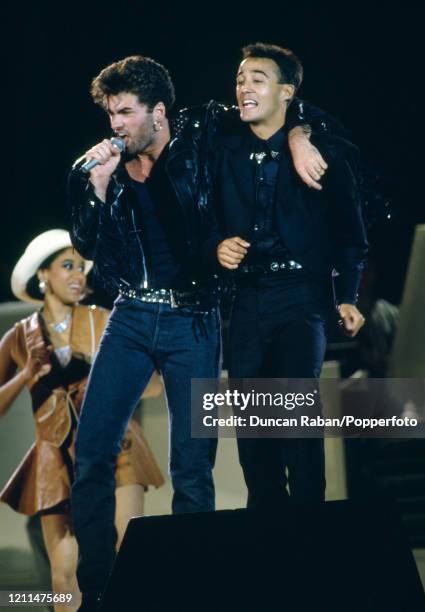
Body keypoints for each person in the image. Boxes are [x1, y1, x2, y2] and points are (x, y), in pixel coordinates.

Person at [67, 54, 343, 610]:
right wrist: (94, 189)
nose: (115, 125)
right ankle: (98, 588)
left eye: (125, 112)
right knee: (92, 454)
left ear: (159, 111)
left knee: (192, 465)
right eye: (110, 114)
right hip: (130, 315)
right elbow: (88, 249)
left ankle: (191, 589)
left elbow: (281, 110)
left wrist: (299, 138)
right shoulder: (93, 167)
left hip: (193, 317)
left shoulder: (200, 132)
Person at [214, 42, 368, 508]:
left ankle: (310, 540)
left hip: (302, 296)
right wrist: (214, 247)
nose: (244, 88)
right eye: (240, 79)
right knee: (253, 438)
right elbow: (197, 221)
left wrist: (349, 295)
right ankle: (269, 548)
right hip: (245, 301)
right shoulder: (220, 148)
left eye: (257, 79)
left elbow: (350, 230)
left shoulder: (322, 152)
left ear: (287, 91)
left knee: (296, 420)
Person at [0, 230, 164, 612]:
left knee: (128, 545)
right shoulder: (20, 337)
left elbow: (153, 387)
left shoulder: (104, 321)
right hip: (53, 456)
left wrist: (104, 368)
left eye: (82, 268)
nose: (79, 275)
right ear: (43, 275)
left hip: (114, 445)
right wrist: (27, 376)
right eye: (67, 266)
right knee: (64, 572)